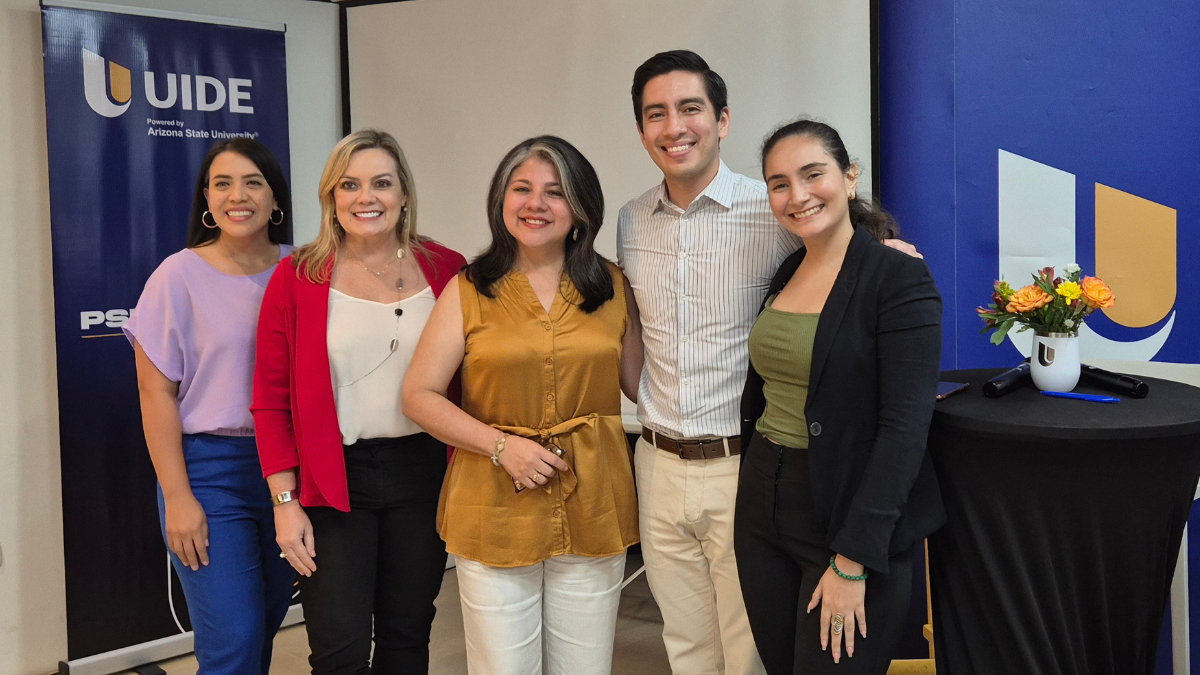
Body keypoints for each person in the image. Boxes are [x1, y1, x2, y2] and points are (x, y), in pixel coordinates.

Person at [617, 50, 922, 675]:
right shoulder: (629, 221)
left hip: (744, 463)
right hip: (656, 460)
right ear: (642, 129)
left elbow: (843, 258)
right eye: (656, 114)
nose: (674, 126)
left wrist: (884, 249)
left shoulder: (775, 208)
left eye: (690, 108)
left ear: (722, 119)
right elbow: (635, 333)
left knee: (750, 653)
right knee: (687, 645)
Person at [402, 135, 642, 675]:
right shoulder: (469, 288)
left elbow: (641, 383)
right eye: (522, 189)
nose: (536, 204)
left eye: (555, 192)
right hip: (494, 510)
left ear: (581, 207)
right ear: (501, 200)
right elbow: (417, 396)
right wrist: (501, 445)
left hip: (593, 507)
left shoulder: (614, 286)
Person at [734, 119, 945, 675]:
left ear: (849, 178)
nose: (797, 195)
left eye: (813, 174)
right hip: (762, 504)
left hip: (847, 518)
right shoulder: (787, 269)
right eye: (779, 183)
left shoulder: (899, 278)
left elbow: (905, 427)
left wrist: (852, 562)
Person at [252, 129, 466, 674]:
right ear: (331, 196)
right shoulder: (295, 277)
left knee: (406, 634)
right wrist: (284, 504)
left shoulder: (447, 270)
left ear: (404, 195)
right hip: (332, 480)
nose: (365, 197)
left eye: (381, 183)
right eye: (350, 184)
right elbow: (271, 401)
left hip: (424, 475)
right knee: (338, 647)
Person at [124, 138, 296, 675]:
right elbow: (156, 394)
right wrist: (178, 496)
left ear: (275, 199)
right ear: (206, 197)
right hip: (209, 471)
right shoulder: (177, 276)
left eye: (252, 182)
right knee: (234, 642)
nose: (236, 195)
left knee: (266, 624)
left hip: (289, 469)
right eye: (222, 183)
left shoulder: (304, 270)